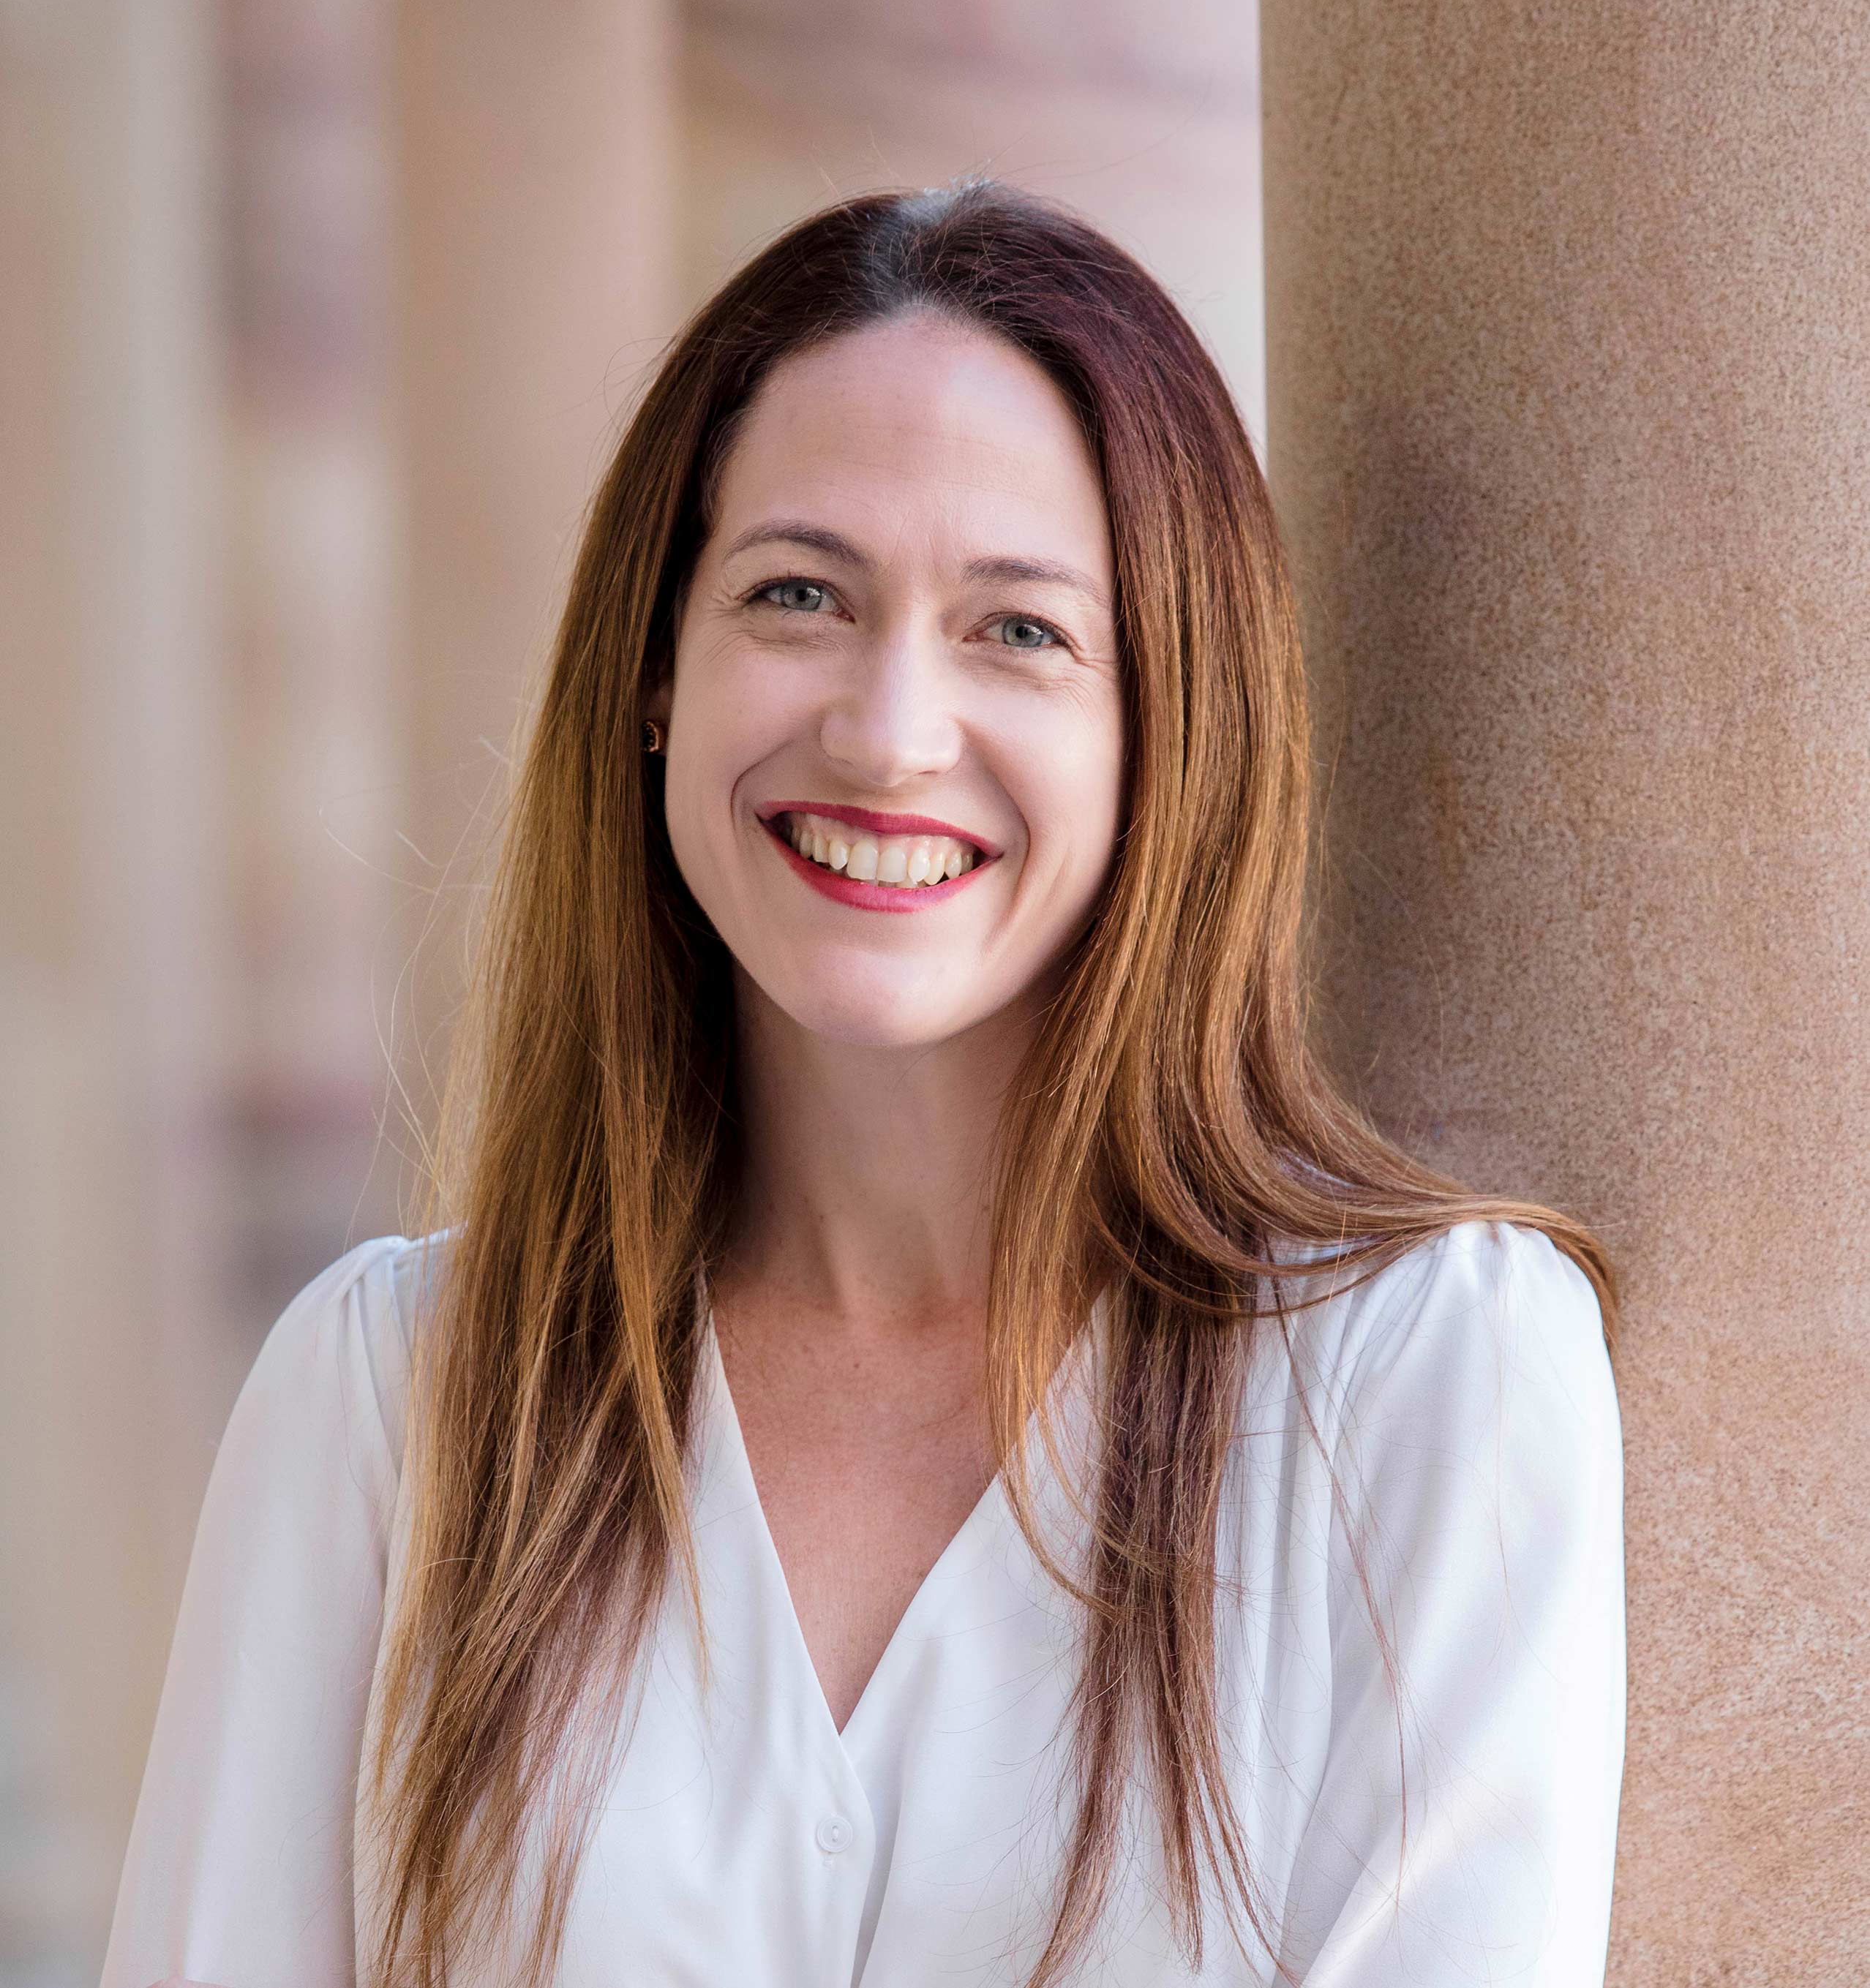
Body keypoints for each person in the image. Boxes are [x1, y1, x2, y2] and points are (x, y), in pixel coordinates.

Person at [101, 177, 1626, 1988]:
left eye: (1022, 630)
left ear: (1169, 730)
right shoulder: (391, 1406)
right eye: (799, 594)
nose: (891, 729)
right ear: (660, 671)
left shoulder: (1426, 1378)